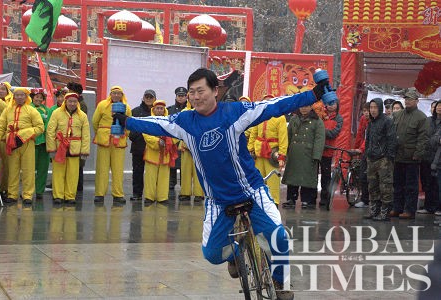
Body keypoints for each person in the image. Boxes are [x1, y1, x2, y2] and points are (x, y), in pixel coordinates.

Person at [114, 68, 332, 299]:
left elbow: (273, 107)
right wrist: (128, 121)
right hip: (218, 201)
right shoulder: (185, 121)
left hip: (251, 191)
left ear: (215, 91)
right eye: (192, 92)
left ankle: (279, 282)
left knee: (277, 240)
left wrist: (313, 94)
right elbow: (157, 123)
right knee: (212, 253)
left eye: (201, 91)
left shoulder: (235, 112)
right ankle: (235, 255)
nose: (196, 97)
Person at [0, 87, 44, 205]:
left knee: (28, 169)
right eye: (17, 95)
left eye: (22, 95)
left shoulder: (32, 110)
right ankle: (12, 194)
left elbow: (40, 127)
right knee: (12, 169)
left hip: (27, 143)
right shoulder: (8, 110)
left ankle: (27, 195)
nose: (19, 97)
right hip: (11, 143)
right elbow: (1, 126)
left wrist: (24, 134)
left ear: (26, 97)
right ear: (14, 97)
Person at [390, 88, 429, 219]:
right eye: (406, 99)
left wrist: (418, 154)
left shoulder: (421, 117)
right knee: (397, 184)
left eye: (410, 99)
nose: (407, 101)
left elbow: (423, 138)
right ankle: (397, 208)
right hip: (398, 156)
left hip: (412, 157)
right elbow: (392, 134)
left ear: (416, 101)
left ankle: (409, 210)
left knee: (411, 186)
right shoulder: (397, 115)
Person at [46, 92, 90, 205]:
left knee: (73, 174)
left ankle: (70, 196)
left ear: (77, 103)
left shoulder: (82, 116)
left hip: (75, 149)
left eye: (74, 101)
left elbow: (86, 135)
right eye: (70, 101)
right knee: (58, 173)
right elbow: (50, 131)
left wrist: (84, 151)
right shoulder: (56, 113)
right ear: (65, 102)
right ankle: (58, 196)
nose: (72, 103)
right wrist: (51, 149)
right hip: (59, 147)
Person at [92, 86, 132, 204]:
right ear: (110, 94)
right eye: (114, 93)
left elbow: (128, 123)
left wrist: (124, 135)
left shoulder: (127, 108)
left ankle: (118, 194)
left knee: (118, 169)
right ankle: (99, 194)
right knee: (101, 168)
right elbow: (95, 121)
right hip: (104, 141)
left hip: (119, 141)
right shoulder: (102, 105)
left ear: (122, 95)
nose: (116, 95)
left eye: (118, 93)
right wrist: (101, 133)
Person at [282, 105, 325, 209]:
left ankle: (306, 200)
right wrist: (284, 152)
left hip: (308, 154)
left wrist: (316, 155)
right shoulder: (294, 118)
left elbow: (319, 139)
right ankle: (291, 199)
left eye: (306, 106)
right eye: (302, 106)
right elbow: (288, 136)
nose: (304, 109)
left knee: (307, 178)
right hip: (294, 153)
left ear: (311, 107)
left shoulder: (317, 121)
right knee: (292, 177)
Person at [248, 94, 288, 206]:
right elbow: (253, 133)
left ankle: (273, 202)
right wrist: (250, 149)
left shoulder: (280, 118)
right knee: (257, 178)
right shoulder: (259, 116)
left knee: (273, 179)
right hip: (259, 151)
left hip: (272, 153)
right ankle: (257, 200)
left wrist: (282, 155)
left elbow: (283, 139)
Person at [363, 98, 397, 221]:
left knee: (385, 186)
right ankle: (374, 210)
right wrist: (367, 154)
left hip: (383, 160)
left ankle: (385, 212)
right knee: (372, 186)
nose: (372, 110)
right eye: (371, 107)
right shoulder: (370, 123)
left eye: (375, 107)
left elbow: (392, 140)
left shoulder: (387, 122)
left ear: (380, 108)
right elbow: (368, 141)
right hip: (371, 159)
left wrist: (388, 157)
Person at [142, 100, 178, 204]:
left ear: (164, 110)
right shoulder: (148, 121)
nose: (159, 110)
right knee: (150, 176)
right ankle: (149, 197)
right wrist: (157, 142)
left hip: (165, 153)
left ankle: (162, 197)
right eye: (157, 108)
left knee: (164, 177)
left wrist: (169, 141)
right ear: (153, 109)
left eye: (161, 108)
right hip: (152, 154)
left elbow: (176, 135)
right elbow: (146, 135)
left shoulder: (170, 122)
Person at [129, 89, 155, 201]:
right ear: (143, 98)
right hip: (138, 146)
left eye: (151, 97)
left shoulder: (158, 111)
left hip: (153, 148)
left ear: (155, 99)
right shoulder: (135, 111)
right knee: (137, 171)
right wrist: (133, 136)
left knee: (152, 173)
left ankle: (152, 195)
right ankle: (137, 193)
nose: (148, 99)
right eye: (147, 97)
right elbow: (129, 126)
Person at [418, 100, 441, 215]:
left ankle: (438, 207)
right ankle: (428, 206)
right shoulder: (428, 120)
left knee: (437, 184)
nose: (438, 108)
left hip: (438, 157)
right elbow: (423, 135)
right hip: (426, 156)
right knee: (427, 182)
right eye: (436, 106)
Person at [319, 100, 343, 207]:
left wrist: (320, 130)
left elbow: (334, 133)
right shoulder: (320, 114)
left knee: (326, 175)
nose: (330, 106)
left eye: (333, 104)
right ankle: (310, 198)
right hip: (316, 148)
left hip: (328, 150)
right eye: (329, 104)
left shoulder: (339, 118)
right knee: (313, 174)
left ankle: (325, 198)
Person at [67, 82, 88, 192]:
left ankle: (77, 188)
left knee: (78, 166)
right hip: (71, 140)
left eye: (70, 91)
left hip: (76, 139)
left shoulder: (81, 105)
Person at [30, 88, 50, 199]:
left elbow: (50, 123)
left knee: (43, 168)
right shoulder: (28, 108)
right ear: (32, 97)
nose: (38, 99)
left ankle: (39, 191)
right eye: (36, 97)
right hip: (33, 141)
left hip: (44, 143)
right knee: (30, 168)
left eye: (41, 97)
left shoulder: (47, 109)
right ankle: (28, 191)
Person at [167, 87, 188, 190]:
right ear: (176, 96)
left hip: (185, 142)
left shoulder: (190, 109)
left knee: (184, 165)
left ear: (186, 96)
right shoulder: (169, 110)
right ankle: (171, 183)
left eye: (183, 96)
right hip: (173, 141)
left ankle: (184, 185)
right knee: (172, 163)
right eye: (179, 96)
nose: (181, 98)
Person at [354, 102, 370, 208]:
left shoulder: (375, 120)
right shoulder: (363, 119)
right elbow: (360, 134)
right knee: (363, 176)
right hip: (364, 151)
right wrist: (356, 148)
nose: (366, 113)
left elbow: (368, 137)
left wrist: (361, 148)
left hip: (373, 151)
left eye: (367, 110)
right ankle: (364, 199)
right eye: (364, 111)